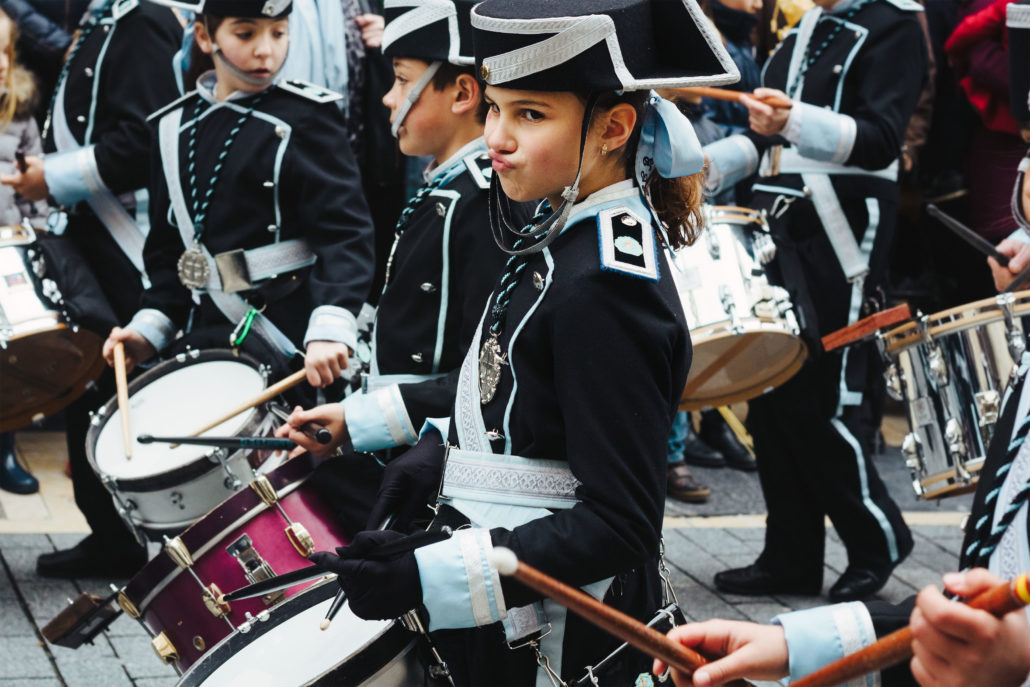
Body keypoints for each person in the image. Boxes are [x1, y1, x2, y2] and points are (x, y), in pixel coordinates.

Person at [292, 1, 739, 684]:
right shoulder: (564, 229)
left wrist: (426, 572)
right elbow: (522, 402)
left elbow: (621, 526)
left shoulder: (609, 285)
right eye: (495, 108)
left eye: (530, 114)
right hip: (510, 615)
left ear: (613, 128)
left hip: (560, 641)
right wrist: (437, 449)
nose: (496, 136)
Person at [702, 0, 927, 602]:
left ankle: (878, 540)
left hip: (842, 228)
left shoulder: (894, 25)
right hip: (776, 224)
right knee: (772, 395)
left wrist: (793, 119)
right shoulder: (800, 32)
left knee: (825, 395)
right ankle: (791, 556)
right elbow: (762, 137)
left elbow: (879, 139)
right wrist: (701, 169)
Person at [276, 0, 508, 533]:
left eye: (402, 81)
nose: (387, 97)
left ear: (463, 93)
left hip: (432, 465)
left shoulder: (481, 200)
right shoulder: (450, 187)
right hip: (403, 442)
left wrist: (359, 423)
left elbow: (484, 375)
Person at [102, 0, 374, 400]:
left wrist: (329, 327)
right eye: (246, 34)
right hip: (205, 335)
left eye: (279, 33)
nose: (266, 50)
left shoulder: (308, 118)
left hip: (292, 340)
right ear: (204, 36)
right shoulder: (172, 126)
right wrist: (147, 330)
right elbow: (168, 254)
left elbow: (346, 236)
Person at [0, 0, 181, 577]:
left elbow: (141, 139)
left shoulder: (143, 20)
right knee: (91, 385)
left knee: (112, 385)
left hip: (125, 241)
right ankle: (111, 536)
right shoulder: (111, 18)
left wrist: (48, 176)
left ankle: (133, 537)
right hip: (96, 237)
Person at [0, 7, 49, 496]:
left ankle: (4, 446)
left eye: (5, 51)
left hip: (7, 249)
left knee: (7, 358)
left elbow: (34, 186)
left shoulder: (18, 112)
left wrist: (33, 232)